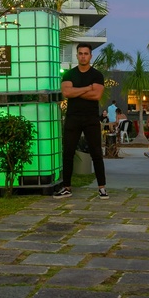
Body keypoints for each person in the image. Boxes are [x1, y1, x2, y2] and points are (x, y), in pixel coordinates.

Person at [54, 43, 108, 199]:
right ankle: (66, 187)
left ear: (90, 56)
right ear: (77, 55)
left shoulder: (97, 75)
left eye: (86, 53)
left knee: (96, 153)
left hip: (91, 118)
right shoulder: (69, 74)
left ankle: (102, 188)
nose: (83, 56)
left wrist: (76, 91)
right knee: (68, 152)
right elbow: (66, 92)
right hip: (73, 117)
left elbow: (96, 96)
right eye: (80, 53)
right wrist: (87, 88)